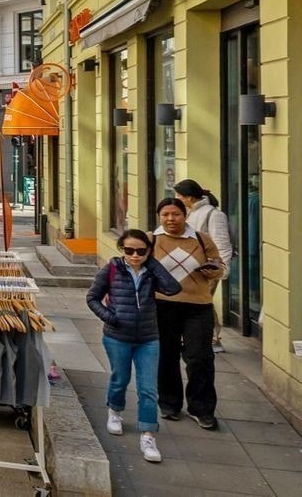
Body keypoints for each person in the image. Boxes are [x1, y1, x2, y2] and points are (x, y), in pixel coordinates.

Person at [87, 228, 182, 463]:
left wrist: (153, 262)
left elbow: (172, 288)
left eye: (141, 251)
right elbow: (92, 298)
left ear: (148, 252)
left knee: (148, 388)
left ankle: (148, 435)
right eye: (129, 250)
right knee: (120, 378)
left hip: (149, 338)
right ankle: (115, 411)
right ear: (122, 250)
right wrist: (110, 317)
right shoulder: (111, 269)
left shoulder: (152, 272)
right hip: (117, 336)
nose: (135, 255)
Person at [152, 197, 223, 429]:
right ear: (160, 217)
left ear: (185, 216)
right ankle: (169, 403)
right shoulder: (152, 240)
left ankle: (202, 408)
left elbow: (219, 268)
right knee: (166, 355)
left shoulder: (202, 240)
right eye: (166, 215)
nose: (171, 219)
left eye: (176, 214)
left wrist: (213, 270)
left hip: (198, 306)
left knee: (199, 357)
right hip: (163, 305)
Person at [174, 179, 234, 355]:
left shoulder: (214, 215)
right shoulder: (191, 213)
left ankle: (213, 338)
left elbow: (222, 244)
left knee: (203, 302)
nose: (177, 198)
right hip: (190, 269)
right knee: (201, 301)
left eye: (179, 195)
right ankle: (208, 337)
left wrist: (221, 269)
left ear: (189, 197)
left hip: (207, 269)